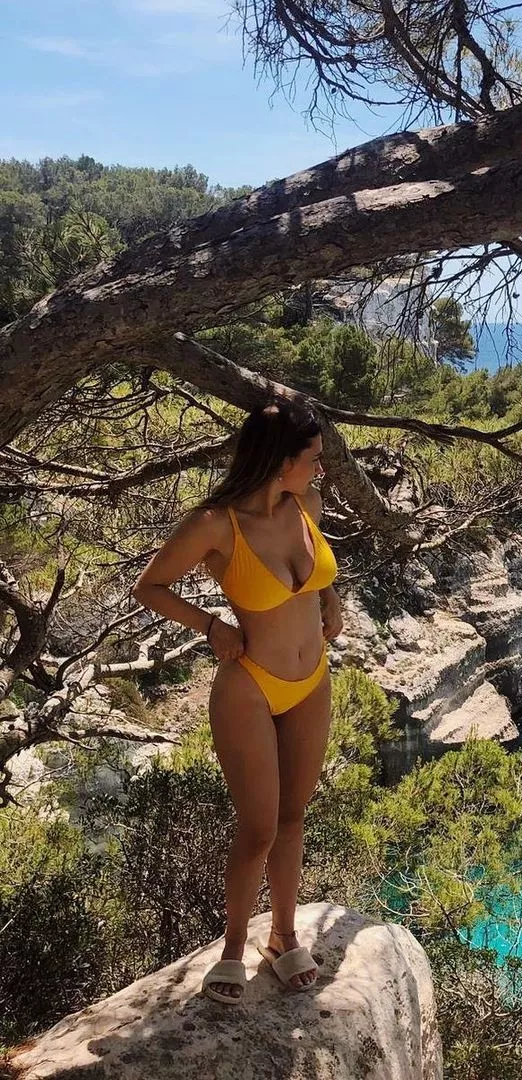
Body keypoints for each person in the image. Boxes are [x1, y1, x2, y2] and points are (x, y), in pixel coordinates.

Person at [133, 398, 344, 1004]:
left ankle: (282, 935)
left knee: (292, 817)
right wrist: (208, 626)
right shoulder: (215, 524)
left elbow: (321, 568)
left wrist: (332, 599)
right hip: (249, 685)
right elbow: (149, 585)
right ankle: (231, 950)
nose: (321, 471)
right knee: (256, 829)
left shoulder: (305, 503)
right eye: (313, 460)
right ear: (280, 462)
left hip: (311, 682)